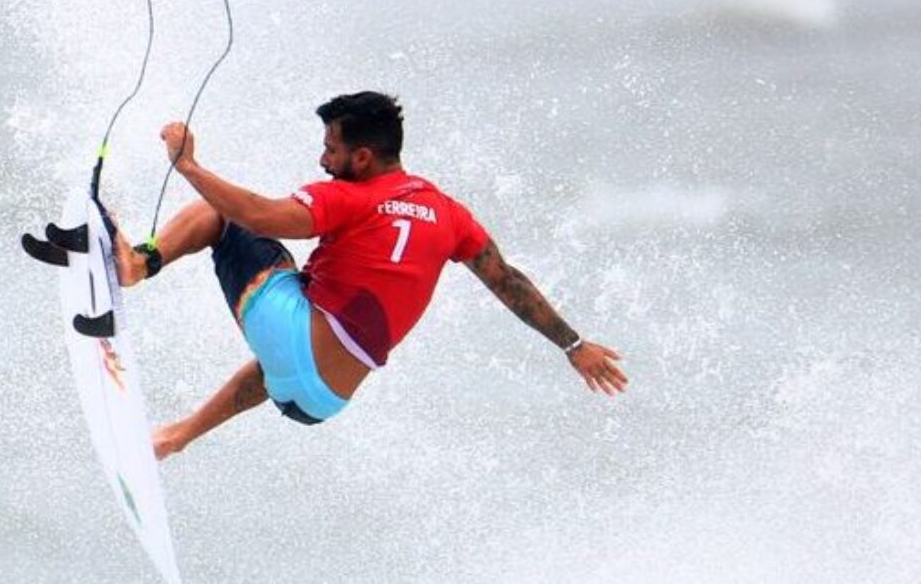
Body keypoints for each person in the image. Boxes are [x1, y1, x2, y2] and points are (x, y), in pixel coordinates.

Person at [111, 91, 627, 459]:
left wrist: (189, 166)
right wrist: (572, 344)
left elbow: (260, 217)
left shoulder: (350, 195)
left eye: (331, 149)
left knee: (224, 217)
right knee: (305, 329)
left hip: (292, 339)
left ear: (362, 157)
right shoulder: (449, 214)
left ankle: (137, 263)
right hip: (320, 401)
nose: (323, 158)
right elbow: (508, 281)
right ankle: (179, 436)